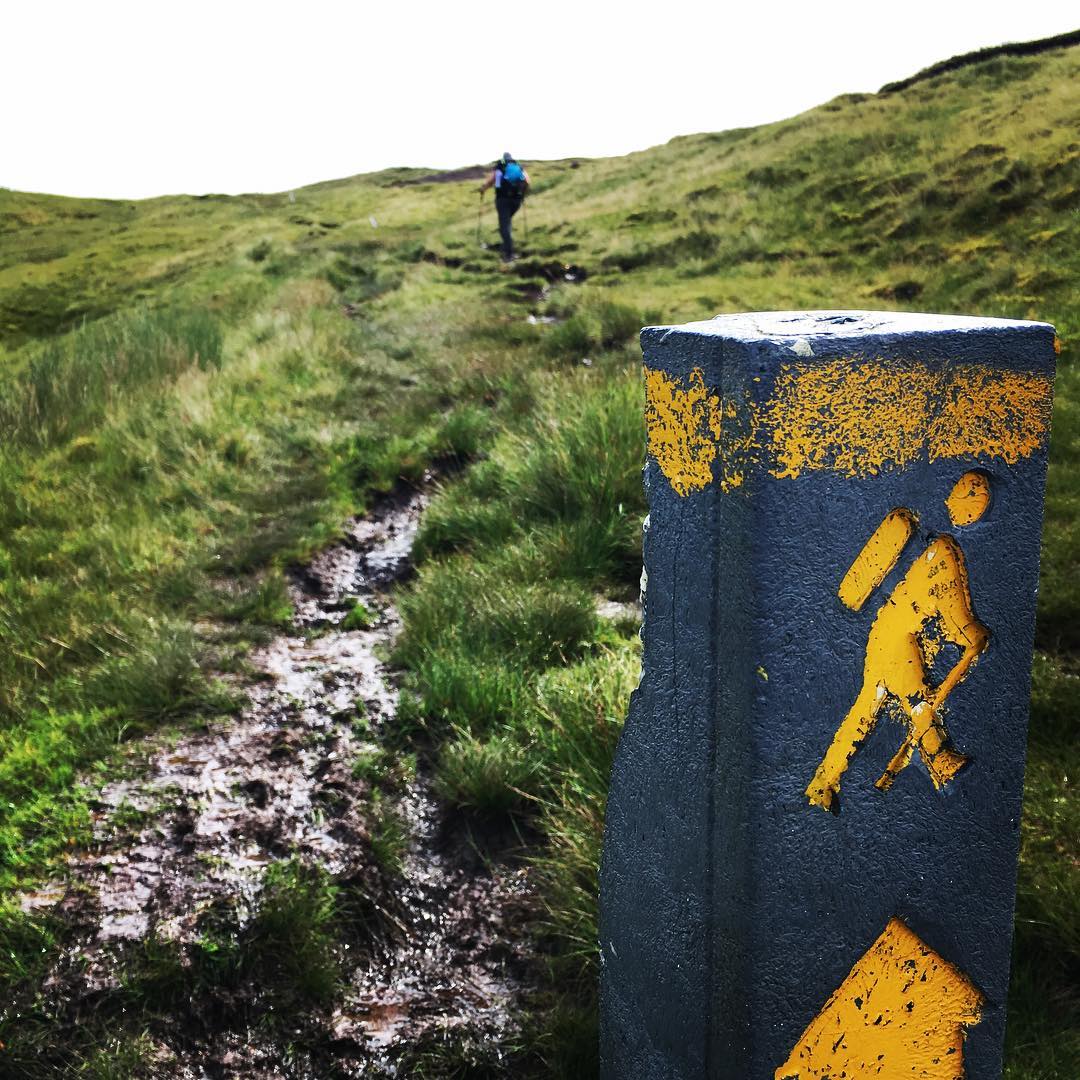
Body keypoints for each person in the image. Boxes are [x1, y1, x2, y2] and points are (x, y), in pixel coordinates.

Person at [479, 153, 530, 261]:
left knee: (504, 225)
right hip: (517, 200)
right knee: (507, 223)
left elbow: (491, 181)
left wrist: (483, 189)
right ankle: (506, 247)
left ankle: (509, 254)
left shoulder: (500, 167)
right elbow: (527, 181)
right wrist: (522, 193)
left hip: (503, 199)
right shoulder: (518, 167)